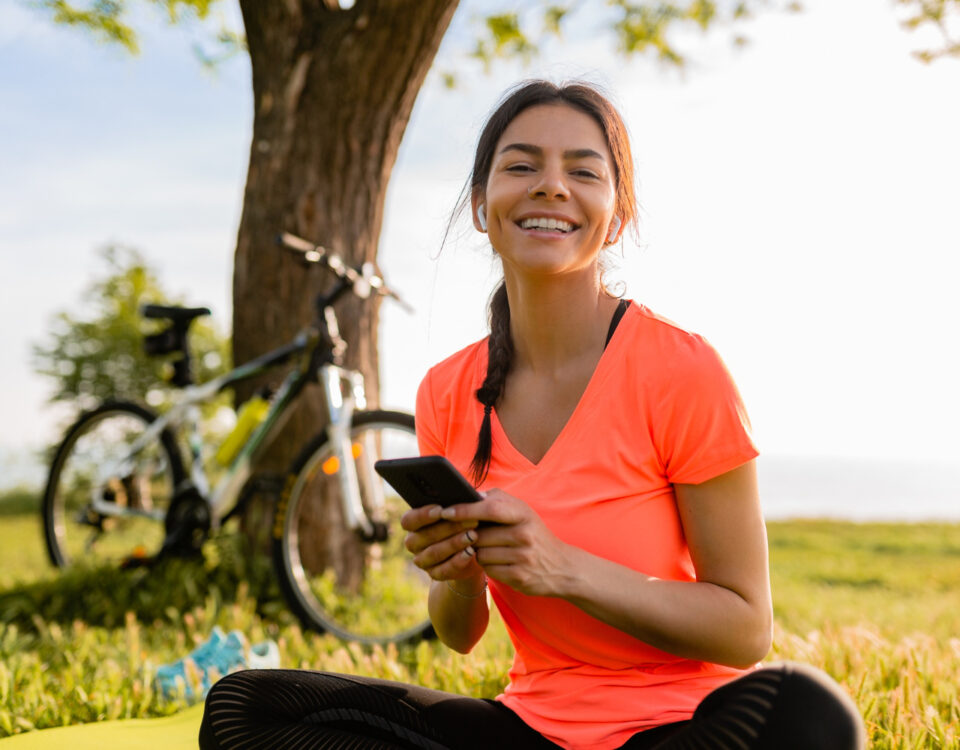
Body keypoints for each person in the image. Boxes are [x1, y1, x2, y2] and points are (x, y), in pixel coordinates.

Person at [199, 80, 865, 750]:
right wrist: (459, 574)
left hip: (680, 730)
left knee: (809, 714)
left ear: (617, 216)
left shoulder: (681, 369)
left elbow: (746, 629)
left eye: (583, 171)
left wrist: (562, 567)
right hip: (531, 731)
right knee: (242, 707)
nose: (550, 186)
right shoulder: (447, 390)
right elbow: (460, 633)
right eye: (521, 166)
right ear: (482, 206)